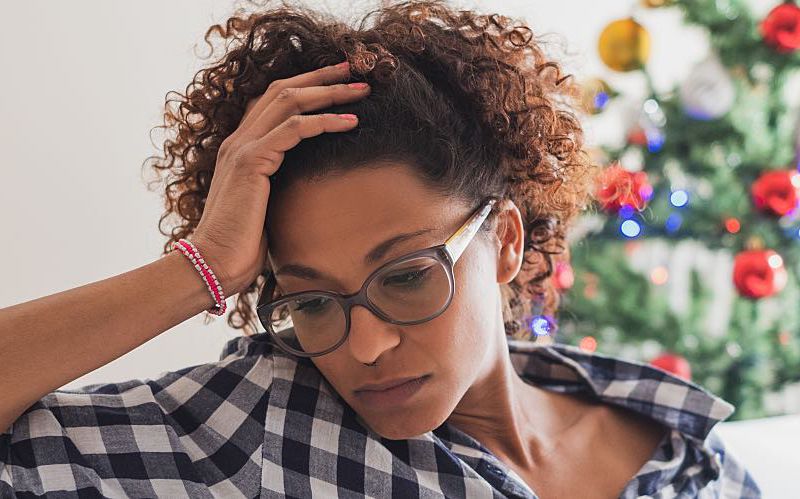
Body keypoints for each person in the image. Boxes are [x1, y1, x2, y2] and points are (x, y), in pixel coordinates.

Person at [0, 0, 761, 497]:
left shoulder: (686, 450)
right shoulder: (262, 426)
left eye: (404, 276)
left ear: (502, 241)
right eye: (313, 301)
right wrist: (202, 267)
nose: (363, 345)